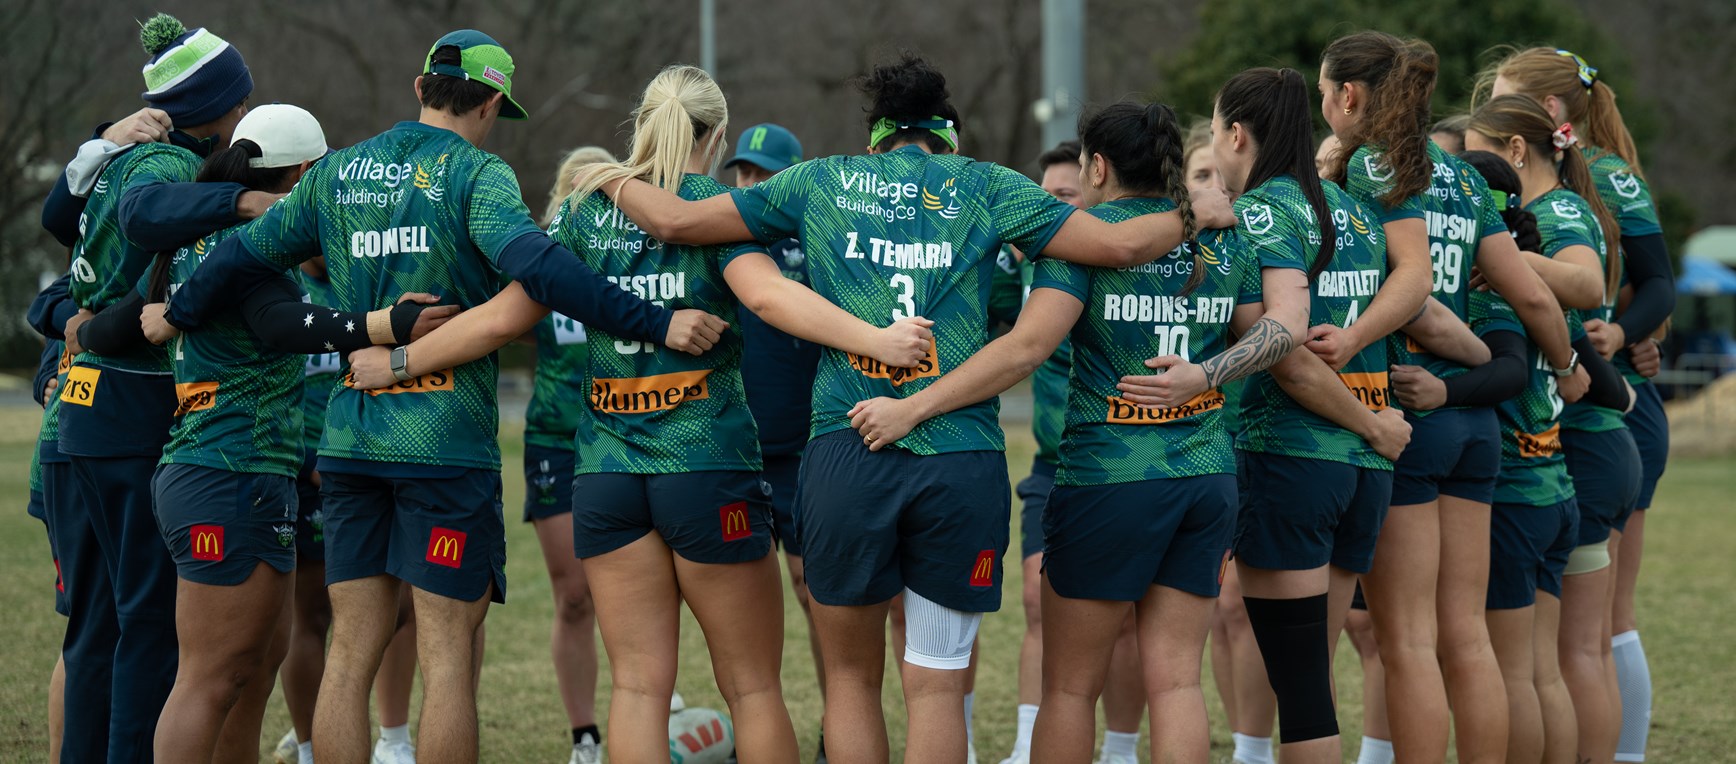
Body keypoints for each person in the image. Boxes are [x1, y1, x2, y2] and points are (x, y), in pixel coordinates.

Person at [558, 52, 1232, 764]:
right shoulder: (987, 184)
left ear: (875, 131)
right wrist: (1193, 213)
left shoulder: (817, 180)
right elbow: (1123, 241)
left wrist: (609, 175)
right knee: (936, 686)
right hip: (959, 455)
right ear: (944, 130)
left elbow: (676, 222)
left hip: (848, 447)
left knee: (850, 682)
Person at [157, 31, 729, 763]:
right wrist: (656, 320)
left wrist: (176, 312)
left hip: (352, 444)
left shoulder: (335, 175)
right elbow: (543, 272)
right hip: (444, 449)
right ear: (491, 104)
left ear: (419, 87)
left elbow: (239, 255)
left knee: (348, 656)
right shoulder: (477, 176)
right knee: (448, 657)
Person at [347, 63, 943, 763]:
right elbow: (772, 301)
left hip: (606, 475)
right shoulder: (714, 209)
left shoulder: (581, 211)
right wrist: (876, 340)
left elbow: (500, 320)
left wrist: (399, 362)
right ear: (715, 134)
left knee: (635, 688)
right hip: (705, 468)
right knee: (751, 689)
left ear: (641, 122)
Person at [1319, 31, 1586, 764]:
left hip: (1408, 410)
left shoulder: (1359, 169)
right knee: (1466, 635)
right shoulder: (1464, 176)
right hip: (1479, 429)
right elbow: (1532, 294)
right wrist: (1565, 365)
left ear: (1348, 95)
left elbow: (1396, 295)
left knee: (1406, 640)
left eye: (1323, 92)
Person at [50, 14, 257, 761]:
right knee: (146, 620)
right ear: (222, 108)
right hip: (131, 405)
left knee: (102, 619)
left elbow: (56, 217)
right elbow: (145, 217)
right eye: (240, 104)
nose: (245, 117)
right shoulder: (162, 167)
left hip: (88, 408)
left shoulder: (116, 159)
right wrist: (249, 204)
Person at [1484, 50, 1674, 762]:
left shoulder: (1580, 191)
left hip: (1596, 424)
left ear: (1542, 121)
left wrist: (1621, 335)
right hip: (1599, 414)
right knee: (1577, 648)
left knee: (1579, 646)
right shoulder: (1554, 194)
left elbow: (1621, 282)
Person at [1465, 94, 1632, 764]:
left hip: (1520, 491)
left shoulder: (1508, 281)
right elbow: (1604, 384)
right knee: (1547, 669)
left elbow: (1584, 292)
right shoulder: (1540, 298)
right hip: (1554, 485)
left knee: (1518, 673)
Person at [998, 139, 1147, 764]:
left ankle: (1119, 748)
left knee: (1126, 619)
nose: (1054, 206)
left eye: (1066, 194)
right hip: (1050, 464)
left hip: (1121, 461)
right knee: (1037, 600)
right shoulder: (1025, 270)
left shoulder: (1116, 259)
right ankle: (1029, 743)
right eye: (1046, 197)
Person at [725, 122, 832, 761]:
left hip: (809, 447)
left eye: (765, 175)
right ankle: (754, 737)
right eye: (743, 173)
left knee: (815, 594)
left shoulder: (821, 240)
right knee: (742, 599)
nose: (752, 185)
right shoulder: (727, 237)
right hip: (736, 447)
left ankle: (830, 729)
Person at [524, 144, 615, 764]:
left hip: (622, 435)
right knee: (575, 593)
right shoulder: (538, 262)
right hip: (554, 438)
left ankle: (651, 701)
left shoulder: (625, 256)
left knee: (632, 589)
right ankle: (583, 733)